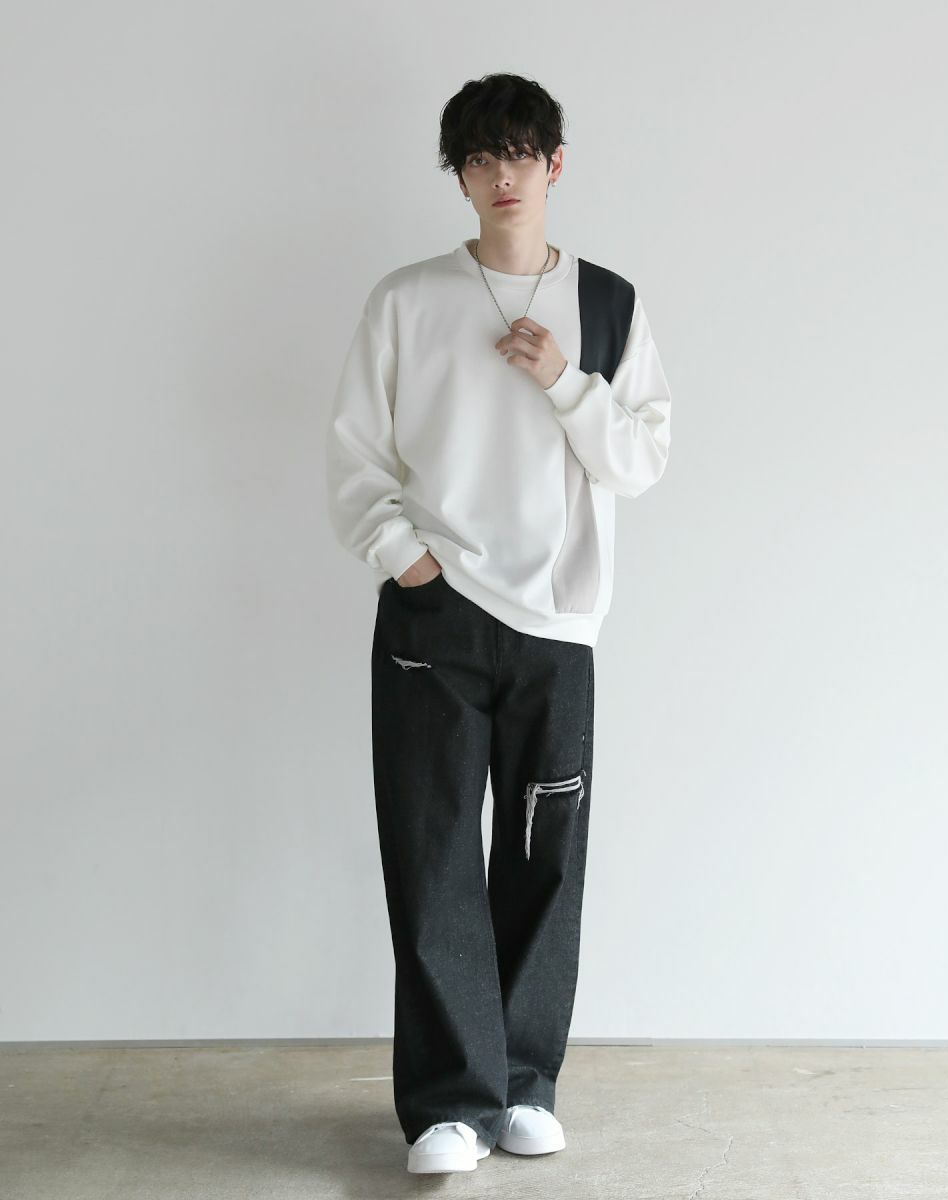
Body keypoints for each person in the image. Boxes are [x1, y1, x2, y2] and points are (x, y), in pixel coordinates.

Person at [325, 72, 673, 1174]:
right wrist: (408, 561)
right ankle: (448, 1104)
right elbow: (354, 456)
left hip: (559, 625)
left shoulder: (607, 305)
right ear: (460, 176)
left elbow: (641, 460)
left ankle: (524, 1083)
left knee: (541, 856)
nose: (502, 175)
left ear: (554, 163)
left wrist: (565, 379)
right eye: (479, 158)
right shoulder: (406, 300)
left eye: (520, 153)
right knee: (432, 853)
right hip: (432, 619)